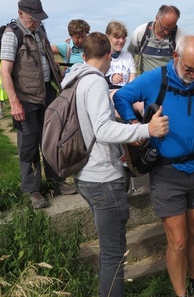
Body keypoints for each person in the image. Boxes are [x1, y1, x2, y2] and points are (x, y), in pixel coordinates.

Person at [65, 32, 169, 297]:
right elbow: (102, 130)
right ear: (108, 56)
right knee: (113, 255)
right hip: (102, 178)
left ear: (84, 54)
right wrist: (145, 130)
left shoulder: (73, 79)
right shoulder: (96, 83)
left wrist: (126, 136)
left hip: (85, 174)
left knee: (110, 250)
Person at [114, 35, 194, 297]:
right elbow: (121, 98)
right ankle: (181, 293)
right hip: (167, 171)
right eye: (189, 69)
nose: (193, 75)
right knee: (179, 241)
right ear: (176, 58)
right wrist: (135, 126)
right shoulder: (155, 79)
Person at [0, 0, 76, 210]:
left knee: (52, 139)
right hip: (26, 99)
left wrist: (58, 73)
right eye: (32, 18)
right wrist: (14, 103)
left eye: (39, 18)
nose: (36, 22)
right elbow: (5, 71)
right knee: (29, 146)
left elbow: (47, 57)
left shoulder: (40, 29)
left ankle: (56, 181)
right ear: (20, 13)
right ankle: (32, 190)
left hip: (46, 94)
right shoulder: (11, 35)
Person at [127, 5, 186, 74]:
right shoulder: (141, 32)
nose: (166, 32)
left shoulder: (181, 37)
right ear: (156, 18)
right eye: (164, 28)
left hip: (170, 81)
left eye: (170, 29)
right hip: (146, 81)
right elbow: (128, 58)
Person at [104, 21, 137, 92]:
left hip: (124, 94)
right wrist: (110, 78)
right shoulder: (100, 56)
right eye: (117, 37)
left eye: (123, 37)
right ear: (107, 37)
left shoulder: (128, 57)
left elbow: (132, 83)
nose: (121, 41)